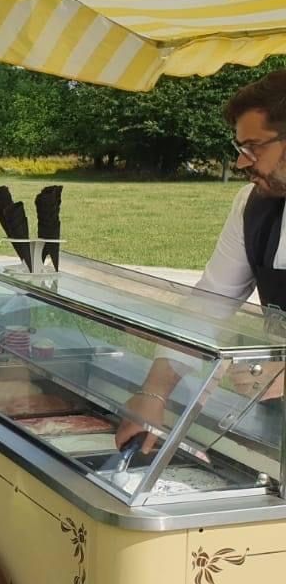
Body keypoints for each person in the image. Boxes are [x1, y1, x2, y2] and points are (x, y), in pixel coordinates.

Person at [117, 69, 286, 453]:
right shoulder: (252, 207)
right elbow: (208, 306)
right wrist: (154, 394)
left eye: (253, 147)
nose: (242, 163)